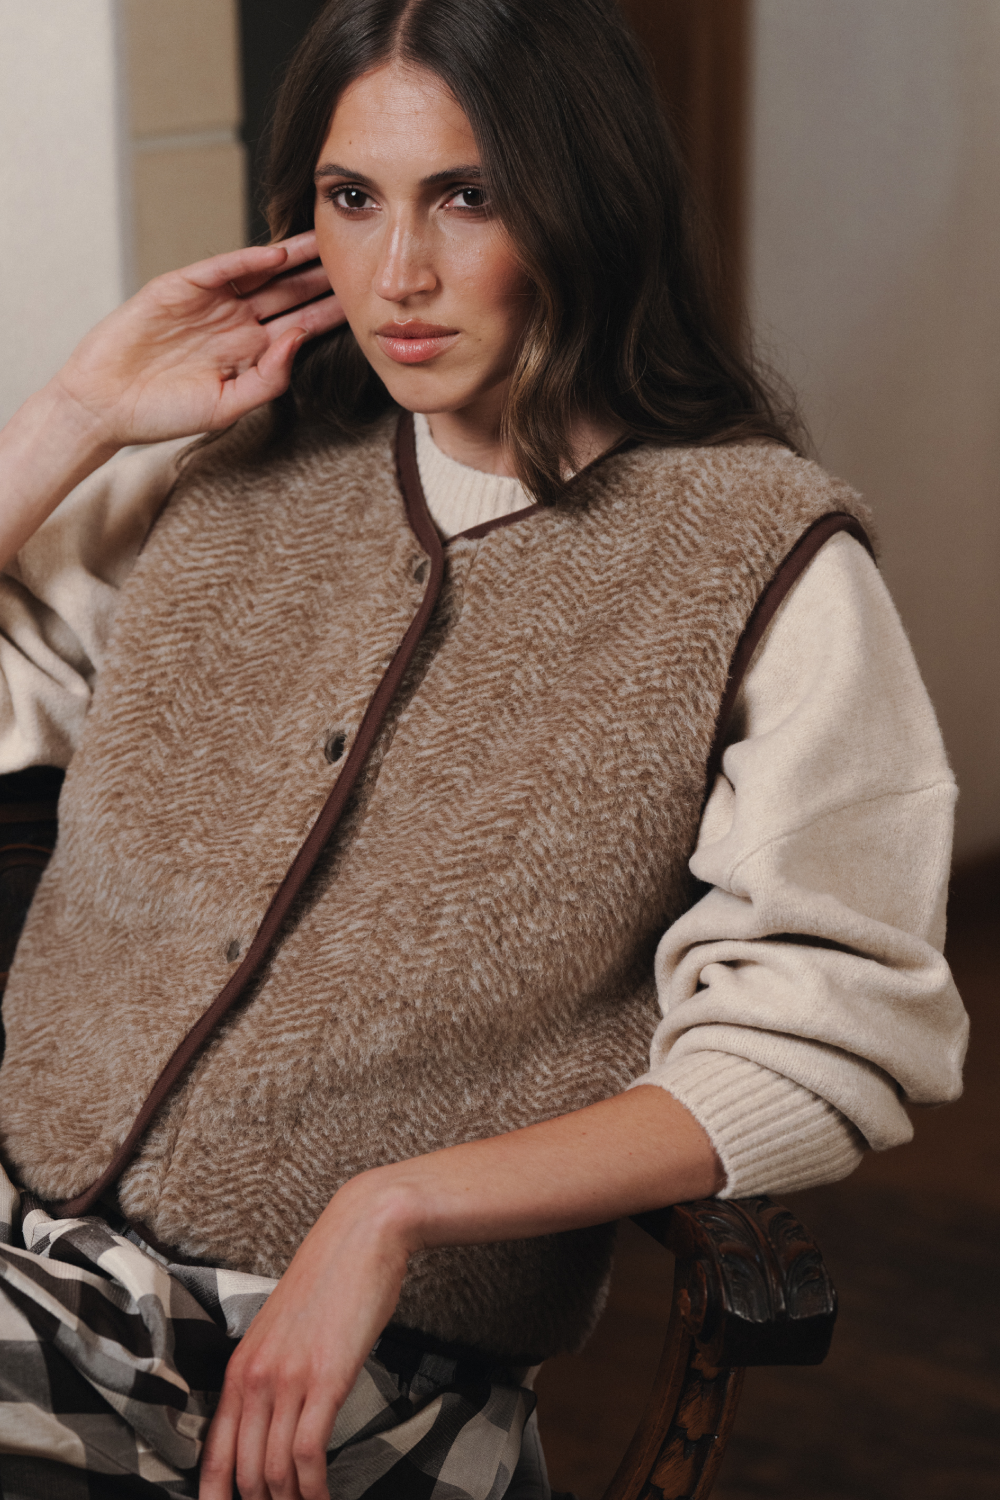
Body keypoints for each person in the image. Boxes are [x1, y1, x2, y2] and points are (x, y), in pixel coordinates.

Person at [0, 1, 967, 1497]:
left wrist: (394, 1207)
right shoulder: (222, 482)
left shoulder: (760, 561)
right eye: (352, 198)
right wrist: (75, 413)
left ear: (586, 205)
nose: (399, 271)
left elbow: (832, 1031)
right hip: (31, 1282)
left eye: (469, 196)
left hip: (341, 1381)